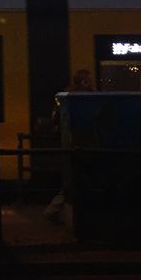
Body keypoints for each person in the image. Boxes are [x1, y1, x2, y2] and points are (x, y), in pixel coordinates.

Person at [44, 70, 97, 223]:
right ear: (85, 82)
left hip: (69, 143)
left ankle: (54, 210)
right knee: (82, 178)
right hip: (85, 144)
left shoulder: (65, 96)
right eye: (89, 80)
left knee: (73, 178)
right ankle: (57, 211)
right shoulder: (87, 97)